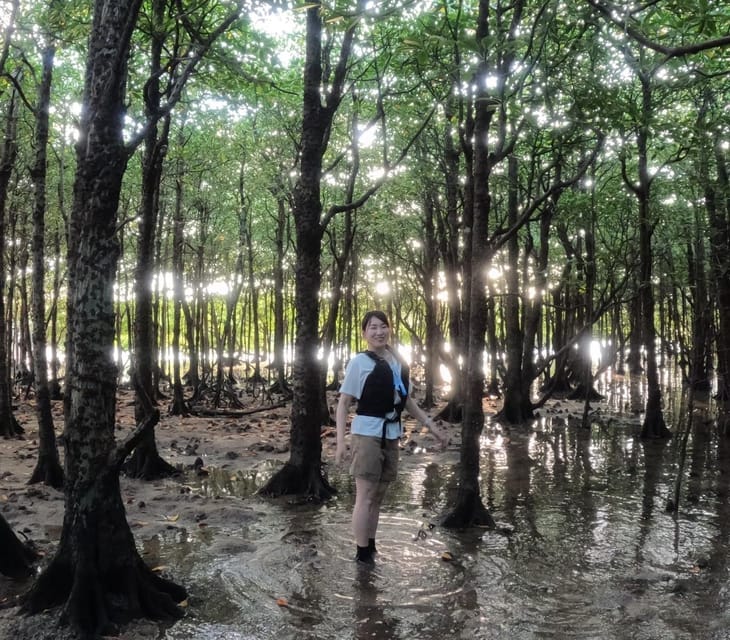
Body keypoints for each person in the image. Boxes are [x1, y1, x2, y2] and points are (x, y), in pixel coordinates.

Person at [335, 310, 448, 566]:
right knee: (364, 495)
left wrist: (432, 427)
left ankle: (371, 547)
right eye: (372, 327)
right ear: (364, 333)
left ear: (390, 330)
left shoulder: (396, 361)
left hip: (392, 434)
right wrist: (341, 442)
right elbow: (343, 403)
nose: (379, 332)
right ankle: (362, 555)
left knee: (379, 494)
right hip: (366, 434)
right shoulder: (359, 363)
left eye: (383, 326)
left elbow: (406, 401)